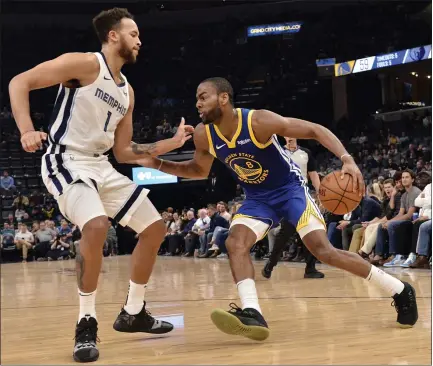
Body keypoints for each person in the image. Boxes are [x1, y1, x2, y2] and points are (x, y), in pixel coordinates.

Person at [136, 77, 418, 341]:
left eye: (203, 97)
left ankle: (400, 289)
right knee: (235, 242)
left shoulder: (258, 120)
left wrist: (346, 158)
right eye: (196, 98)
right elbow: (198, 170)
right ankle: (253, 313)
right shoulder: (203, 135)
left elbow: (314, 130)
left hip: (290, 191)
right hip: (258, 197)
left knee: (323, 251)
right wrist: (157, 163)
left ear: (223, 98)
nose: (197, 103)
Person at [9, 7, 193, 363]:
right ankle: (86, 322)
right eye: (133, 34)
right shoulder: (85, 64)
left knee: (155, 229)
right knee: (95, 226)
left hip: (102, 166)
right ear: (113, 35)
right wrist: (26, 130)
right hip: (66, 159)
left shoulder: (128, 92)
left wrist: (168, 145)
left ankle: (133, 312)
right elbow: (20, 81)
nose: (139, 40)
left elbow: (124, 152)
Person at [262, 136, 324, 279]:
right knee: (285, 232)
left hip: (304, 195)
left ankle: (310, 268)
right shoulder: (278, 152)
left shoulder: (306, 153)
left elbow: (313, 175)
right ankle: (271, 263)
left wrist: (320, 194)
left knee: (310, 231)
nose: (289, 137)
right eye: (287, 134)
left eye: (292, 134)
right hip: (286, 196)